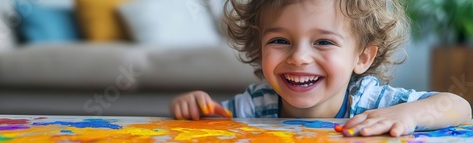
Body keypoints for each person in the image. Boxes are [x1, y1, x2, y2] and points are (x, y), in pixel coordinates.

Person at [170, 0, 471, 137]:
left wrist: (408, 114)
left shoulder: (371, 103)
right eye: (280, 40)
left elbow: (459, 106)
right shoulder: (254, 105)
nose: (299, 57)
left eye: (323, 42)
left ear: (362, 57)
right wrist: (196, 111)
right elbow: (212, 125)